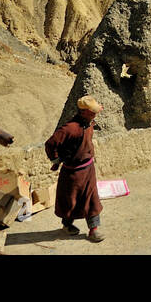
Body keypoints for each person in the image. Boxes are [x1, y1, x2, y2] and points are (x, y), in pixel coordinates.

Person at [45, 95, 105, 242]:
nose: (95, 114)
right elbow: (50, 144)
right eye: (92, 111)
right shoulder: (70, 129)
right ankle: (67, 225)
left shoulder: (89, 123)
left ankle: (93, 230)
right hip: (73, 172)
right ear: (83, 112)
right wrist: (56, 159)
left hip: (88, 169)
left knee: (92, 200)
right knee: (70, 200)